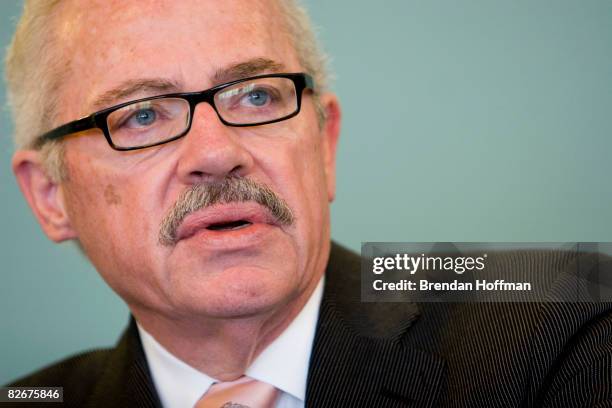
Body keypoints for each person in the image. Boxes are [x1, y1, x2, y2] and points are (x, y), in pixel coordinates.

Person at [4, 1, 612, 407]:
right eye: (140, 115)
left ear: (324, 146)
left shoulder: (566, 312)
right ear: (51, 197)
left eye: (257, 97)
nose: (217, 152)